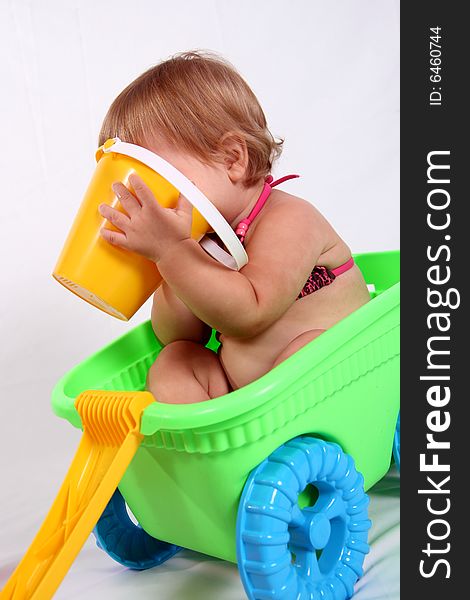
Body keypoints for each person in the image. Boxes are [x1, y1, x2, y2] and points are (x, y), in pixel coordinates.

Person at [97, 50, 371, 403]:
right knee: (176, 360)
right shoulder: (200, 239)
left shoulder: (290, 220)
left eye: (159, 178)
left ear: (232, 159)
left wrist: (173, 252)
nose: (151, 197)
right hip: (245, 396)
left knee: (311, 351)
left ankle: (283, 438)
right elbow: (180, 334)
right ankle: (207, 444)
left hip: (330, 386)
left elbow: (250, 312)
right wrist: (168, 264)